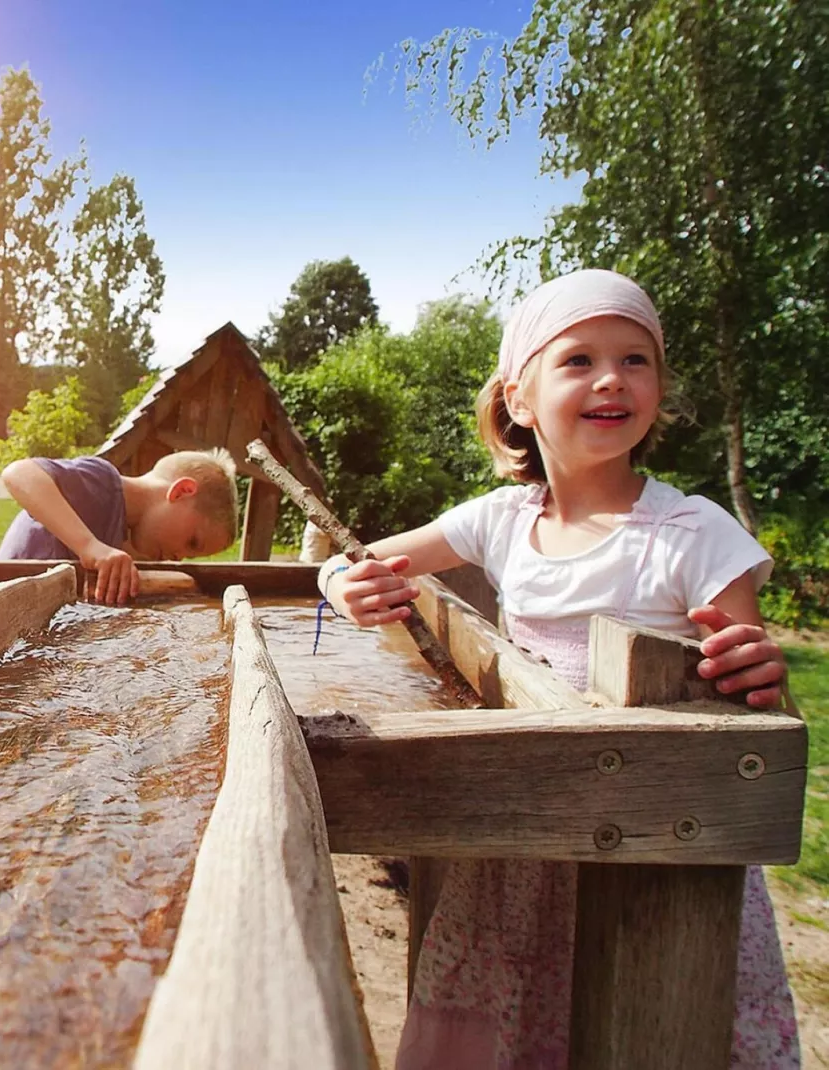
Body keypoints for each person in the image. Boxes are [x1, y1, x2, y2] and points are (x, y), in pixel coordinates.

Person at [319, 268, 798, 1068]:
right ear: (518, 398)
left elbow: (757, 708)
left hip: (659, 851)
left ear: (657, 389)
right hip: (528, 835)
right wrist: (345, 584)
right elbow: (357, 563)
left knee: (645, 1024)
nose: (612, 377)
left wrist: (757, 674)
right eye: (579, 360)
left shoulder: (692, 533)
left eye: (635, 360)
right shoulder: (503, 520)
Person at [0, 449, 240, 605]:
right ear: (181, 492)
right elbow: (18, 473)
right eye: (192, 542)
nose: (179, 557)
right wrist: (89, 546)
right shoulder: (103, 485)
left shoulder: (119, 535)